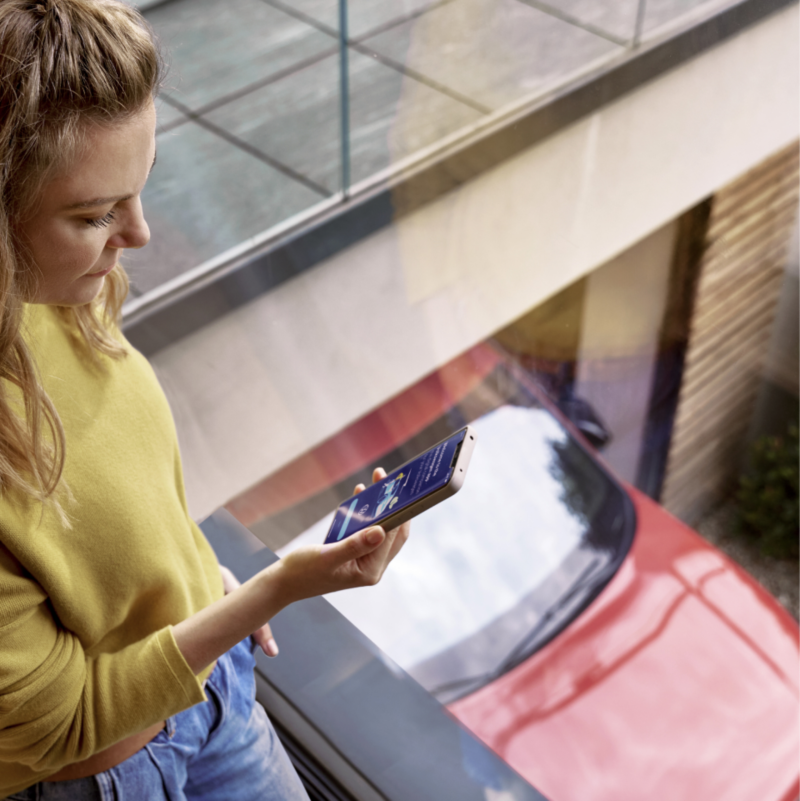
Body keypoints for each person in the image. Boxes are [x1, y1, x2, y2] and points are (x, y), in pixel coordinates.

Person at [0, 1, 409, 798]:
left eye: (139, 189)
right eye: (94, 214)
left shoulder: (65, 289)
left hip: (209, 686)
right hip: (113, 773)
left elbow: (111, 487)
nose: (140, 234)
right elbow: (67, 721)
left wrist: (194, 578)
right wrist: (275, 588)